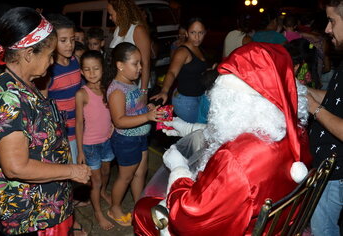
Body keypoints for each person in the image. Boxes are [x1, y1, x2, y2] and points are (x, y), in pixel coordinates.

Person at [133, 42, 312, 235]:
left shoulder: (235, 159)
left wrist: (178, 169)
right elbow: (225, 134)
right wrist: (185, 127)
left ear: (235, 99)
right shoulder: (292, 133)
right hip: (275, 227)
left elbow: (189, 219)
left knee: (143, 210)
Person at [0, 7, 91, 235]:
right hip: (32, 217)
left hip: (48, 206)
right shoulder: (8, 96)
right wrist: (72, 171)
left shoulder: (24, 82)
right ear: (28, 54)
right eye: (49, 54)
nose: (52, 61)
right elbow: (16, 167)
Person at [104, 42, 163, 227]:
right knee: (126, 177)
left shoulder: (131, 83)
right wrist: (147, 116)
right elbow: (119, 120)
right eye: (135, 64)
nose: (140, 68)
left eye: (140, 63)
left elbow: (134, 108)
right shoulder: (117, 91)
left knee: (140, 174)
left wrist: (147, 109)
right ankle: (114, 209)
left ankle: (140, 205)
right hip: (126, 140)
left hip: (140, 137)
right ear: (120, 65)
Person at [307, 1, 343, 235]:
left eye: (333, 21)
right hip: (327, 170)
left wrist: (313, 109)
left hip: (335, 173)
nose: (328, 29)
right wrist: (305, 92)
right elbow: (334, 99)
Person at [75, 50, 114, 231]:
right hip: (90, 145)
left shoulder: (108, 89)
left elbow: (112, 111)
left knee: (106, 173)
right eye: (87, 69)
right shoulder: (82, 94)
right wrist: (81, 151)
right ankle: (97, 212)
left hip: (107, 140)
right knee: (95, 181)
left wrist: (113, 124)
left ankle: (103, 192)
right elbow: (79, 123)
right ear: (82, 72)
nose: (92, 73)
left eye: (96, 68)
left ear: (103, 69)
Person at [151, 17, 208, 123]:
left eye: (201, 33)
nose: (197, 37)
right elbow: (172, 72)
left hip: (199, 97)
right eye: (193, 32)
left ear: (205, 33)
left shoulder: (199, 48)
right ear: (186, 33)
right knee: (192, 134)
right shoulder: (182, 51)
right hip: (186, 101)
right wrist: (164, 91)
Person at [43, 13, 83, 165]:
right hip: (63, 134)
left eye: (72, 40)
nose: (70, 45)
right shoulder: (48, 70)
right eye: (63, 40)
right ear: (52, 41)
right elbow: (44, 106)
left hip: (79, 129)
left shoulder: (75, 61)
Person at [107, 0, 151, 94]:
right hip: (120, 84)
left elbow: (145, 63)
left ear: (121, 12)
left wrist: (143, 91)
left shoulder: (138, 30)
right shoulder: (118, 29)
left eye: (111, 14)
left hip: (135, 86)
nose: (110, 18)